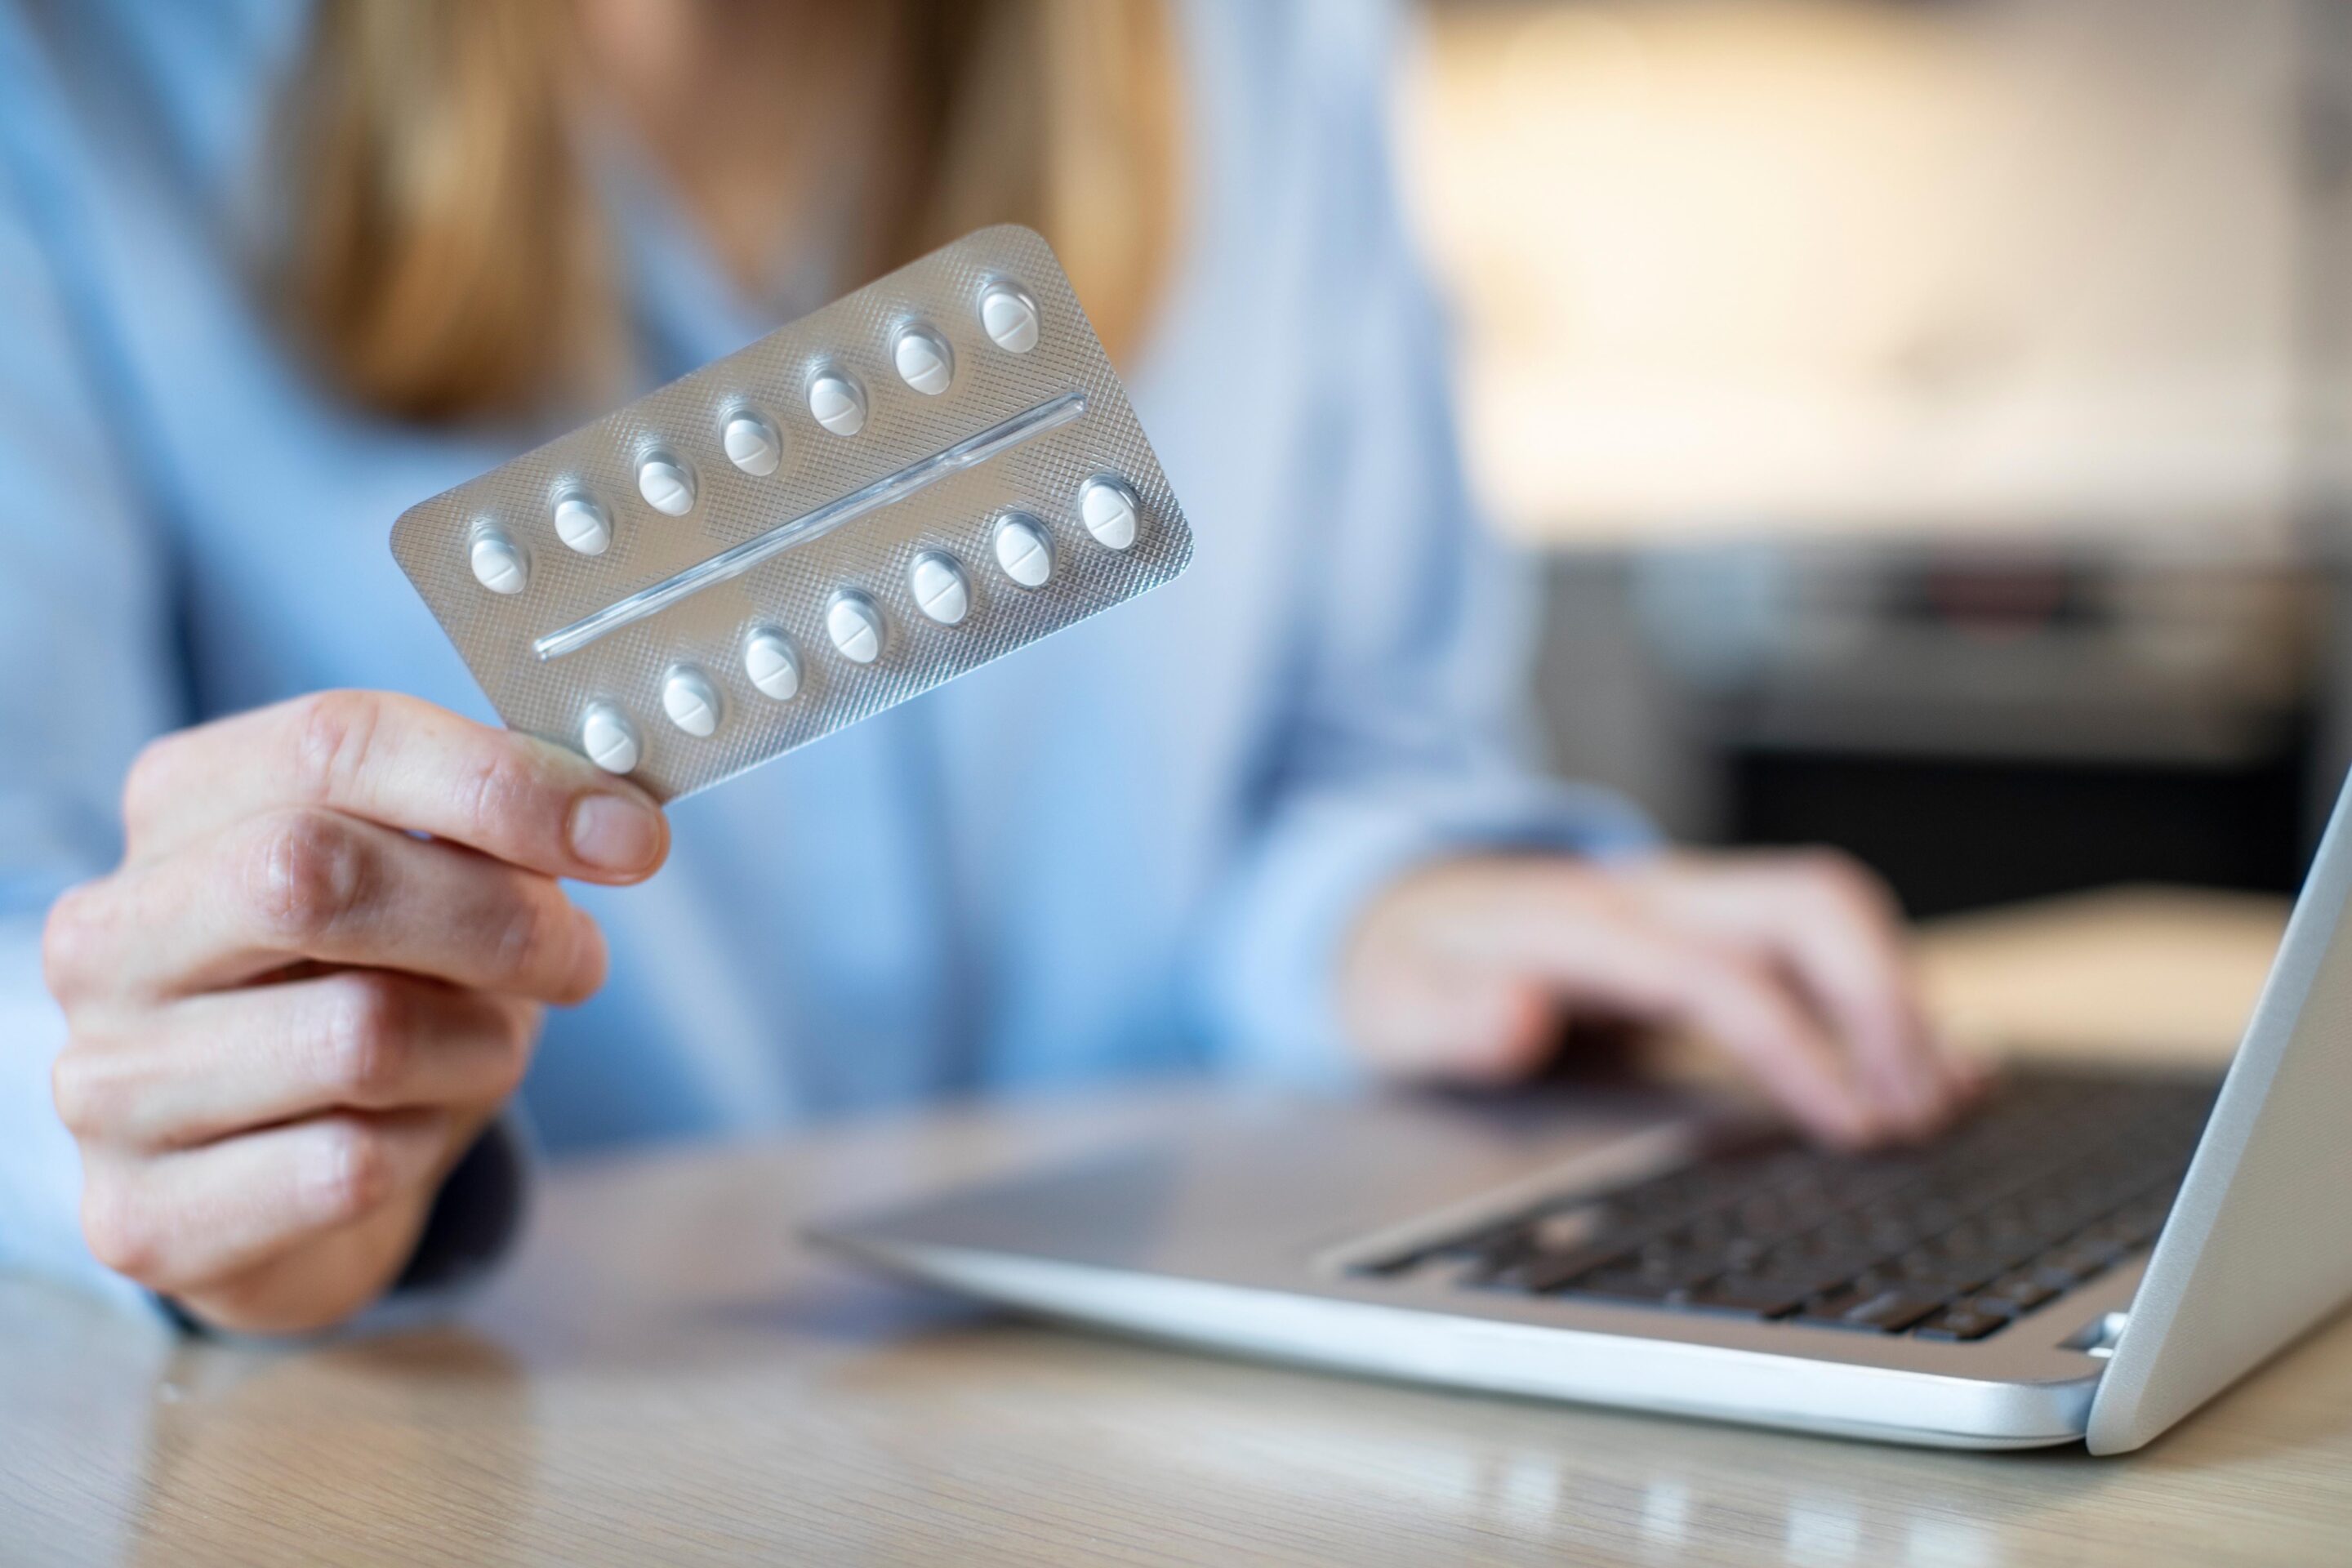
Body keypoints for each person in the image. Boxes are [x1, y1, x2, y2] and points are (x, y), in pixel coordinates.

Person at [0, 0, 1974, 1337]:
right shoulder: (72, 93)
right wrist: (199, 1131)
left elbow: (1360, 754)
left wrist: (1398, 913)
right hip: (532, 1440)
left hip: (1182, 1413)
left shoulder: (1274, 55)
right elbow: (32, 943)